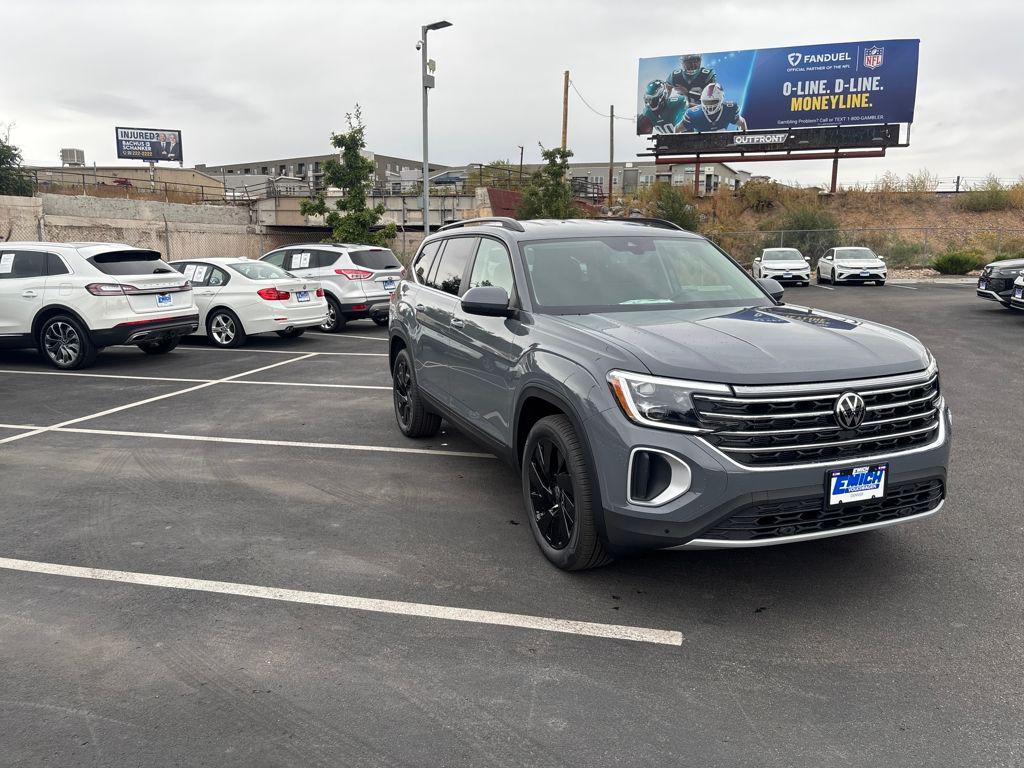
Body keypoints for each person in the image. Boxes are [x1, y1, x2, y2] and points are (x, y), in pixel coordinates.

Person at [679, 83, 747, 132]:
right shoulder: (693, 114)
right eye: (706, 102)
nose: (709, 105)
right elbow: (677, 129)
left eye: (713, 102)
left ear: (721, 99)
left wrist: (742, 139)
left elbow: (742, 122)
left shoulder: (729, 109)